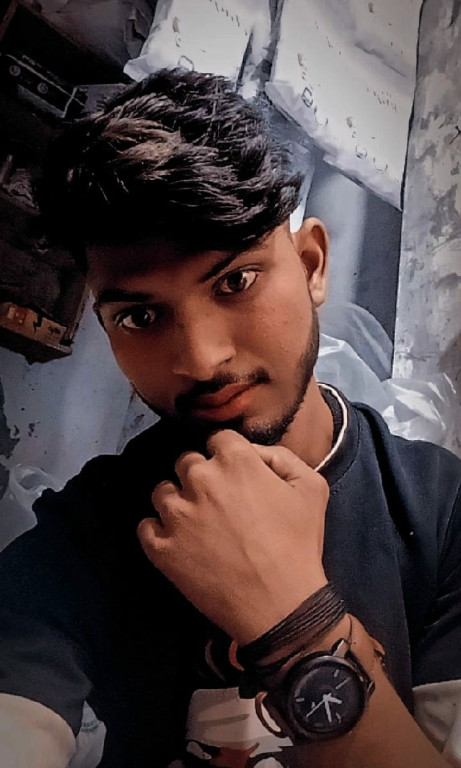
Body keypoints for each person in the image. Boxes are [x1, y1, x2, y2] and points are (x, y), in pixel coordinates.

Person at [0, 68, 460, 768]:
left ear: (311, 264)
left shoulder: (444, 512)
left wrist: (295, 625)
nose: (202, 359)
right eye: (140, 317)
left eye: (235, 281)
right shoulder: (86, 534)